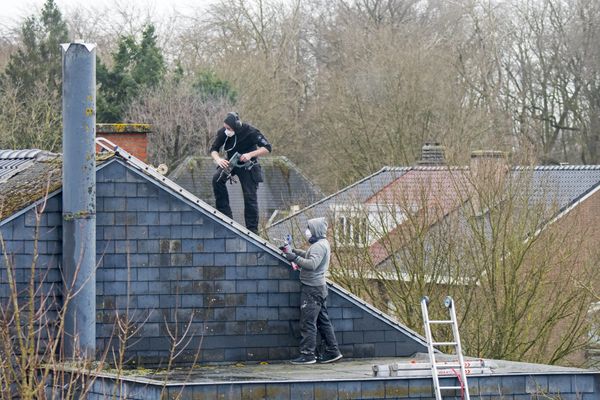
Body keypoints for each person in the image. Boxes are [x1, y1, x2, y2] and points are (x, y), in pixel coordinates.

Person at [282, 217, 343, 365]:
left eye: (309, 228)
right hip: (319, 288)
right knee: (323, 321)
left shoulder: (318, 246)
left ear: (315, 230)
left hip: (312, 289)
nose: (307, 231)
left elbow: (312, 264)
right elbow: (311, 256)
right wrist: (295, 251)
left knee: (308, 322)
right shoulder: (323, 243)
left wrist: (294, 257)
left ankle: (308, 355)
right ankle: (333, 351)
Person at [210, 112, 272, 234]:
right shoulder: (223, 133)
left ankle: (252, 230)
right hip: (231, 162)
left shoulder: (251, 132)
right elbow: (213, 149)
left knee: (249, 196)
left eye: (229, 128)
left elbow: (267, 148)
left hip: (247, 165)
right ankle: (225, 216)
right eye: (225, 127)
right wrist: (219, 159)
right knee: (217, 180)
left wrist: (250, 155)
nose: (226, 130)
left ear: (236, 127)